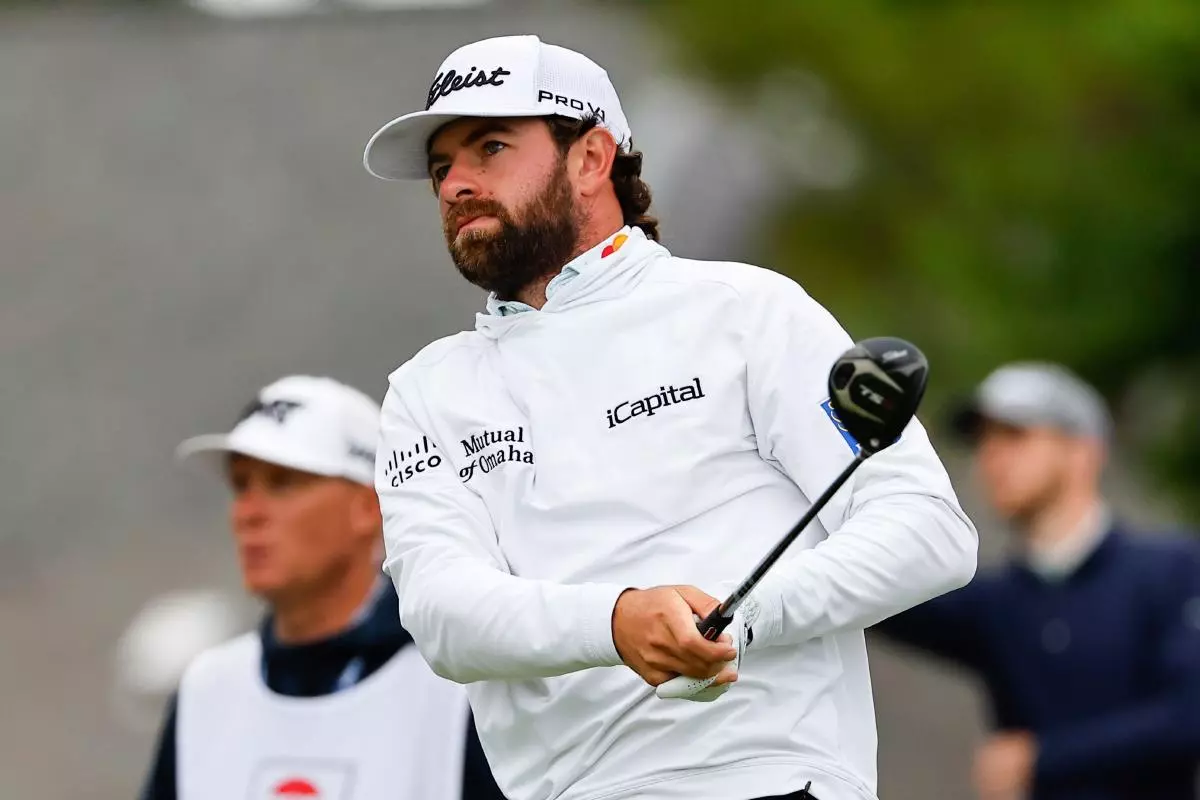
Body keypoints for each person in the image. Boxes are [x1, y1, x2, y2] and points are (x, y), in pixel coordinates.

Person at [360, 34, 979, 800]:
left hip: (770, 779)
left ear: (591, 158)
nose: (456, 183)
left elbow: (929, 533)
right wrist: (619, 622)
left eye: (490, 147)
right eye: (441, 166)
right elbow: (443, 614)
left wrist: (740, 617)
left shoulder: (747, 311)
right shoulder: (427, 391)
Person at [138, 375, 507, 800]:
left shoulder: (463, 688)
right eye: (241, 485)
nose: (247, 513)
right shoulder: (205, 691)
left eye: (282, 482)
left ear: (368, 507)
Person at [875, 362, 1200, 799]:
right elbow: (872, 592)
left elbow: (1189, 716)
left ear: (1084, 451)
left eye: (1015, 436)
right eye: (984, 441)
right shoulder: (996, 603)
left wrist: (1041, 758)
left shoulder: (1172, 569)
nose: (991, 457)